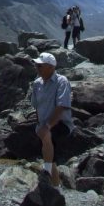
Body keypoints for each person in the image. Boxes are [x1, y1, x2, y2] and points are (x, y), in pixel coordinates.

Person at [30, 52, 73, 187]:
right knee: (51, 157)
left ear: (50, 67)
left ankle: (46, 173)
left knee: (47, 138)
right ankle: (55, 187)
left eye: (40, 65)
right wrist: (39, 125)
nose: (37, 68)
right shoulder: (37, 84)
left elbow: (61, 106)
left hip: (60, 124)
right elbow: (36, 106)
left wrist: (47, 126)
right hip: (44, 124)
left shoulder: (62, 81)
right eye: (37, 65)